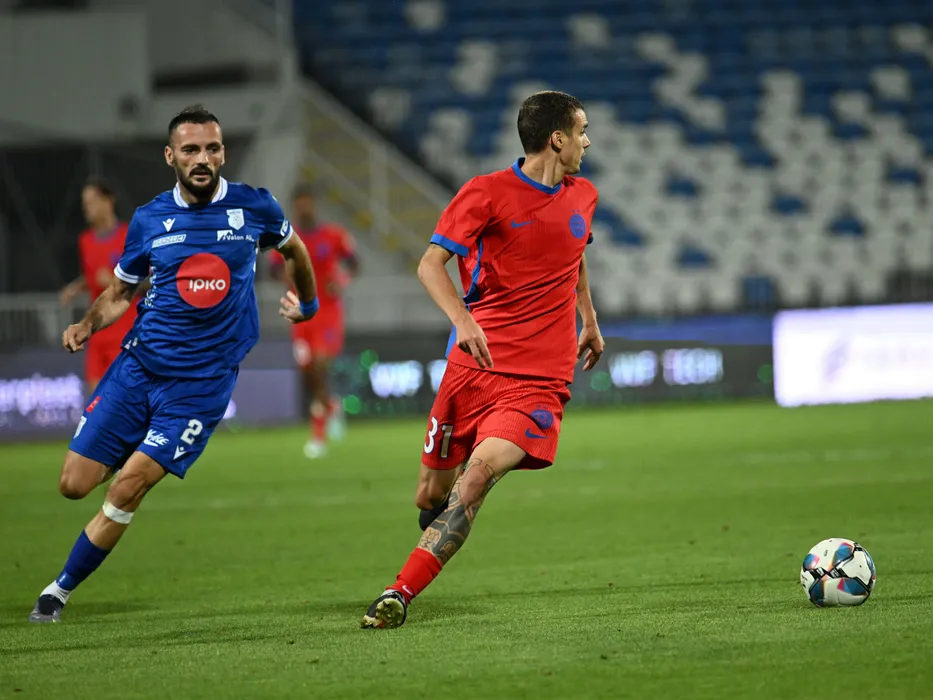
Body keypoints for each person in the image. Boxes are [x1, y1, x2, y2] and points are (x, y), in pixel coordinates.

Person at [29, 105, 319, 623]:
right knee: (73, 484)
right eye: (190, 150)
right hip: (138, 369)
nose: (202, 158)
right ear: (170, 156)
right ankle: (130, 447)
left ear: (222, 152)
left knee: (128, 486)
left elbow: (295, 251)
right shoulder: (149, 218)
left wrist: (309, 304)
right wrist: (89, 323)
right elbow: (121, 291)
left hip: (199, 388)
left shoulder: (254, 206)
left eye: (211, 148)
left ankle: (58, 591)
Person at [360, 91, 605, 629]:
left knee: (477, 478)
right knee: (431, 493)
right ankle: (436, 524)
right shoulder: (485, 193)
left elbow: (576, 256)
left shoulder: (584, 195)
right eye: (582, 131)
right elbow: (430, 265)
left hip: (539, 382)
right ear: (557, 139)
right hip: (474, 369)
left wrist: (588, 318)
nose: (587, 142)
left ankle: (399, 592)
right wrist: (463, 320)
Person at [270, 184, 358, 459]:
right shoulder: (286, 238)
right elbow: (273, 269)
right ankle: (330, 405)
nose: (304, 208)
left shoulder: (333, 236)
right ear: (295, 207)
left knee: (319, 364)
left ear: (314, 204)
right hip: (300, 315)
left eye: (308, 202)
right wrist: (285, 277)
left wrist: (341, 280)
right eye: (300, 204)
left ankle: (318, 434)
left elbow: (354, 263)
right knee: (308, 371)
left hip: (327, 313)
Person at [58, 178, 140, 394]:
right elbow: (91, 276)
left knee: (123, 397)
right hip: (96, 332)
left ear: (108, 201)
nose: (86, 208)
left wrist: (115, 280)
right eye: (84, 203)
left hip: (125, 331)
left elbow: (147, 280)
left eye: (91, 201)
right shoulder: (85, 240)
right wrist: (74, 288)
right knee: (96, 400)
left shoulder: (129, 235)